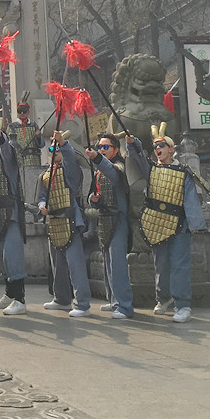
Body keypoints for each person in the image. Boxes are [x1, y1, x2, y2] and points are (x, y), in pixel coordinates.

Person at [128, 123, 207, 323]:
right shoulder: (151, 169)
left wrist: (195, 224)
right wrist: (133, 144)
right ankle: (163, 298)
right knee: (160, 264)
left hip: (179, 223)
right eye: (155, 147)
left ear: (171, 148)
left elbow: (190, 199)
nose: (158, 149)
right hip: (156, 222)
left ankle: (183, 305)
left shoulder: (183, 172)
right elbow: (138, 157)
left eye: (162, 145)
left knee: (180, 265)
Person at [37, 129, 92, 317]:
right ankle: (61, 298)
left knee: (75, 265)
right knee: (57, 266)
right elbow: (42, 196)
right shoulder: (45, 175)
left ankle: (82, 303)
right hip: (53, 222)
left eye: (58, 149)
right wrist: (42, 205)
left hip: (69, 220)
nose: (55, 151)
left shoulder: (71, 172)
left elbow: (69, 159)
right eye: (52, 149)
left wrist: (63, 143)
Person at [86, 132, 135, 318]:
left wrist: (97, 158)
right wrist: (94, 199)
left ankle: (124, 306)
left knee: (118, 264)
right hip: (104, 219)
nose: (102, 150)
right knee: (108, 262)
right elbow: (93, 195)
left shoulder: (119, 166)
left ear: (115, 149)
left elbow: (113, 175)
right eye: (100, 147)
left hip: (119, 219)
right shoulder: (99, 171)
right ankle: (114, 300)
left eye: (105, 147)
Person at [0, 115, 28, 315]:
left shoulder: (9, 164)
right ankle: (9, 294)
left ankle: (20, 299)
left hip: (10, 212)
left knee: (13, 256)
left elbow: (7, 151)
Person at [9, 93, 43, 167]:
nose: (22, 113)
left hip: (34, 158)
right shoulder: (12, 126)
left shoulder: (34, 125)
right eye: (20, 111)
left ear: (28, 112)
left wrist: (38, 137)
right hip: (19, 158)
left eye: (24, 111)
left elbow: (41, 144)